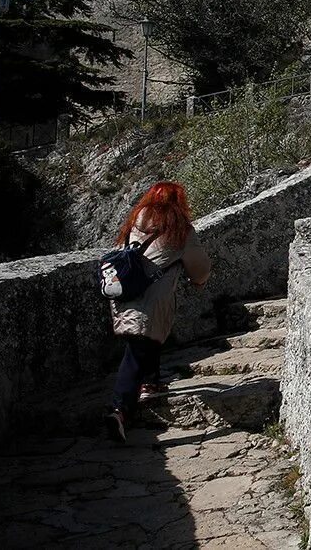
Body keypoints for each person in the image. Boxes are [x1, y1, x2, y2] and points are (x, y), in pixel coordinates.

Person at [105, 181, 211, 442]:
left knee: (143, 340)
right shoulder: (180, 230)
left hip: (123, 293)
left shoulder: (134, 223)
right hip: (153, 298)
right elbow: (200, 269)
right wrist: (199, 280)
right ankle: (119, 411)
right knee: (135, 352)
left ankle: (151, 382)